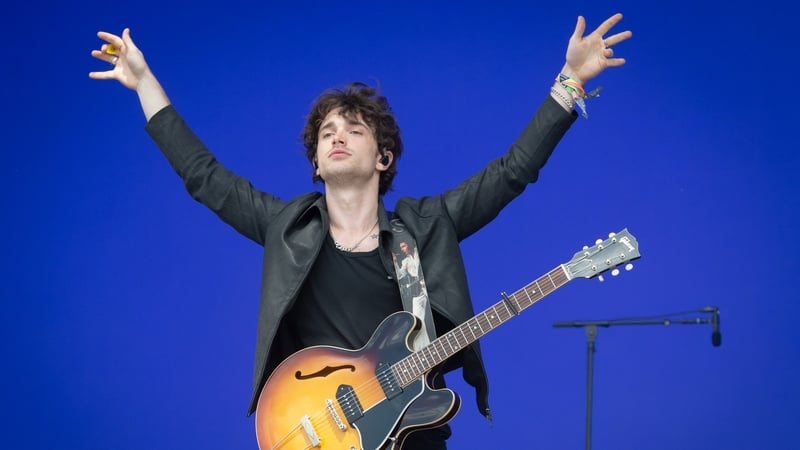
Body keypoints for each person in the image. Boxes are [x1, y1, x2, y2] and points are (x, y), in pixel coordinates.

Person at [89, 13, 631, 449]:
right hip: (316, 427)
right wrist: (143, 83)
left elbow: (512, 171)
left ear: (383, 158)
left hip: (414, 431)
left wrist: (570, 82)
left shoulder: (426, 226)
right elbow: (203, 176)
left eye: (354, 129)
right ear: (317, 165)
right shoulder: (286, 226)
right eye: (326, 133)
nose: (337, 137)